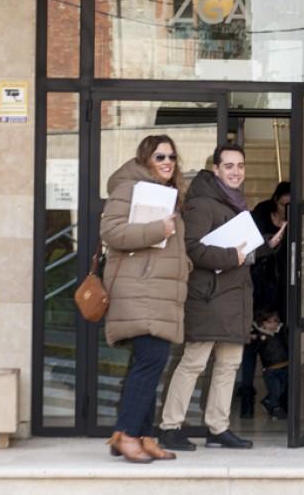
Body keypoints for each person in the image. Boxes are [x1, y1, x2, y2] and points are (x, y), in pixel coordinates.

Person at [98, 135, 191, 463]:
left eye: (172, 157)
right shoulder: (129, 188)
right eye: (160, 156)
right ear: (145, 158)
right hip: (139, 290)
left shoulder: (168, 194)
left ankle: (143, 434)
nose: (168, 162)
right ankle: (126, 434)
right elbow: (111, 232)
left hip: (158, 292)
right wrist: (156, 230)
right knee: (151, 360)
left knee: (151, 363)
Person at [158, 144, 256, 451]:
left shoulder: (235, 203)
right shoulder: (202, 203)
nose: (235, 171)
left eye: (240, 166)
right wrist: (233, 256)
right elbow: (192, 249)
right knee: (193, 363)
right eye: (229, 166)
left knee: (229, 364)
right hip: (208, 299)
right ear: (215, 169)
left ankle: (218, 427)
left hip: (233, 299)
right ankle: (170, 426)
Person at [237, 181, 289, 417]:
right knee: (250, 348)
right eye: (283, 204)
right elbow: (250, 250)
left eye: (291, 204)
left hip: (282, 292)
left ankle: (278, 399)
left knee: (280, 349)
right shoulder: (259, 216)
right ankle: (246, 397)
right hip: (256, 290)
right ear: (275, 200)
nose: (286, 209)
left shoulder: (297, 220)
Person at [249, 308, 288, 420]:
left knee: (281, 389)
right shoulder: (261, 336)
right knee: (275, 389)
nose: (273, 324)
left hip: (284, 366)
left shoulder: (280, 333)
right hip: (271, 370)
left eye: (275, 321)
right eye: (269, 322)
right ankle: (276, 409)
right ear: (262, 324)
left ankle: (267, 401)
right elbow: (255, 349)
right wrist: (257, 338)